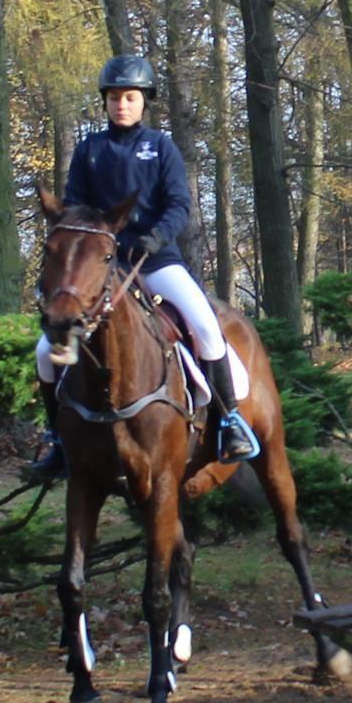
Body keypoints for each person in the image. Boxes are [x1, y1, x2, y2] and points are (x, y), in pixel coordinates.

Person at [30, 55, 261, 474]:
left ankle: (230, 422)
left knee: (208, 328)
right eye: (115, 97)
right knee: (46, 351)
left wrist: (155, 237)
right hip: (101, 267)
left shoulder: (162, 147)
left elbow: (179, 204)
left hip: (155, 261)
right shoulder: (89, 150)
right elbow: (76, 208)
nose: (122, 105)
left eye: (130, 97)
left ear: (143, 102)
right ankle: (59, 440)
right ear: (105, 102)